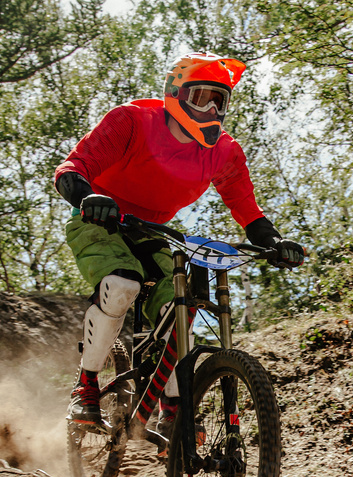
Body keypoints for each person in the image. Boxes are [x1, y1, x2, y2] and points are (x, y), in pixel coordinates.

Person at [53, 51, 305, 429]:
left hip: (151, 232)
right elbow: (73, 167)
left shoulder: (224, 152)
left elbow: (249, 213)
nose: (211, 108)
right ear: (176, 92)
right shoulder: (133, 121)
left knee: (179, 311)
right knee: (122, 285)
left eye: (219, 100)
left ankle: (172, 408)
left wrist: (276, 242)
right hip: (99, 221)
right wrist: (88, 197)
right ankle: (86, 386)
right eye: (202, 97)